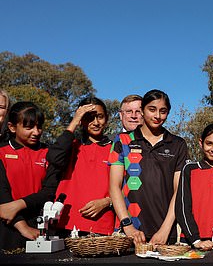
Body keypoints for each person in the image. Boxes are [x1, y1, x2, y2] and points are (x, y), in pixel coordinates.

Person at [109, 89, 189, 246]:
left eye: (163, 111)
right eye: (152, 109)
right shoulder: (121, 141)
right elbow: (114, 187)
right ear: (142, 111)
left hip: (166, 234)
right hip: (130, 233)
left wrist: (165, 230)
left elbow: (179, 191)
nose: (157, 116)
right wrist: (128, 226)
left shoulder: (178, 144)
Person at [50, 97, 115, 236]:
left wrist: (107, 201)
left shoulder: (115, 148)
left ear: (107, 119)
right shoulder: (71, 146)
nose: (96, 123)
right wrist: (75, 121)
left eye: (100, 117)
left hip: (102, 226)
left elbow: (124, 186)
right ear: (81, 120)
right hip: (67, 225)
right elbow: (54, 158)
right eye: (89, 118)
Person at [0, 102, 59, 249]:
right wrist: (22, 226)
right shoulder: (1, 152)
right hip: (8, 227)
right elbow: (3, 198)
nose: (36, 132)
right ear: (12, 127)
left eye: (39, 127)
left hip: (42, 228)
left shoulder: (49, 152)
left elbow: (50, 191)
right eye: (29, 127)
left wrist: (19, 204)